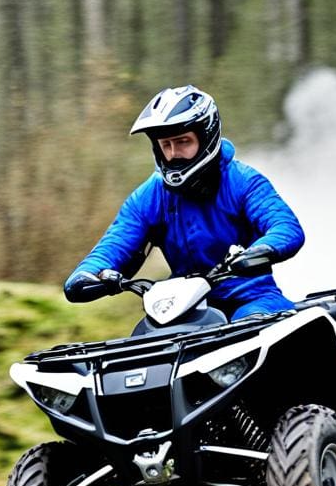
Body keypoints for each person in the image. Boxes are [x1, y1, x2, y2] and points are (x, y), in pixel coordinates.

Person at [64, 85, 304, 320]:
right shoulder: (148, 196)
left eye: (182, 142)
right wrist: (86, 275)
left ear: (207, 136)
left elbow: (286, 227)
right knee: (146, 341)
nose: (172, 154)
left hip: (252, 299)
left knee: (256, 330)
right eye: (165, 145)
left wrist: (259, 252)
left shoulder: (243, 181)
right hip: (183, 308)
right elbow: (114, 245)